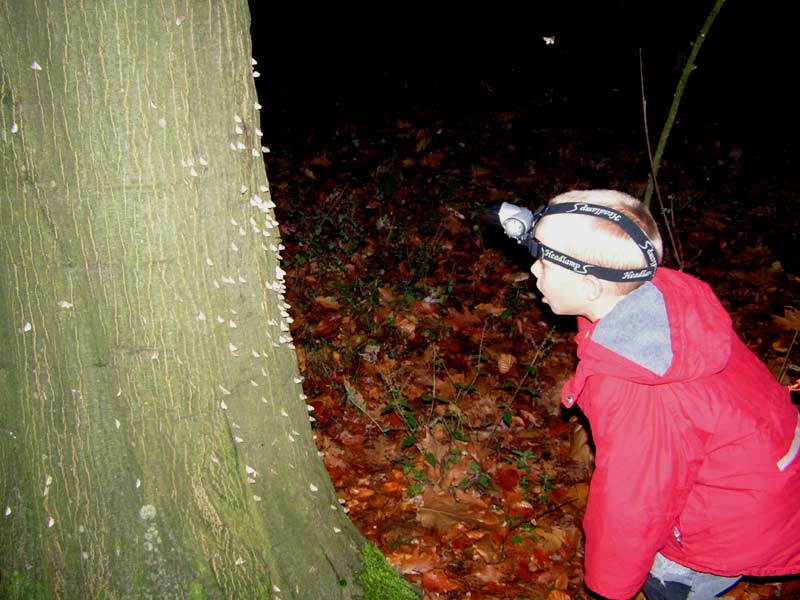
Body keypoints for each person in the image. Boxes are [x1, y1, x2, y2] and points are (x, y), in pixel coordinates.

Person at [495, 189, 800, 599]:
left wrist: (610, 586)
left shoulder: (637, 387)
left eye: (545, 262)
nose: (533, 270)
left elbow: (635, 502)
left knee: (668, 587)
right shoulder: (664, 302)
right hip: (770, 482)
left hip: (725, 527)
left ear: (589, 286)